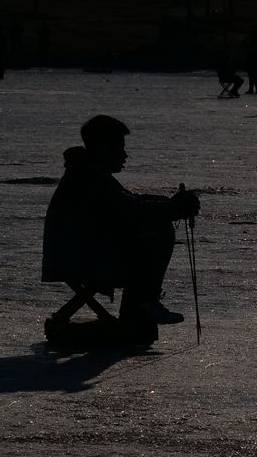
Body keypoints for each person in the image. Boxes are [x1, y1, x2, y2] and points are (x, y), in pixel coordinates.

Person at [42, 115, 201, 335]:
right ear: (102, 148)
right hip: (82, 256)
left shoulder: (91, 171)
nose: (125, 155)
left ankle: (140, 307)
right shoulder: (88, 176)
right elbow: (130, 209)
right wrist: (174, 210)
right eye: (120, 148)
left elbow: (129, 200)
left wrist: (170, 204)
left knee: (154, 229)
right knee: (158, 232)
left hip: (84, 250)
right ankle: (145, 299)